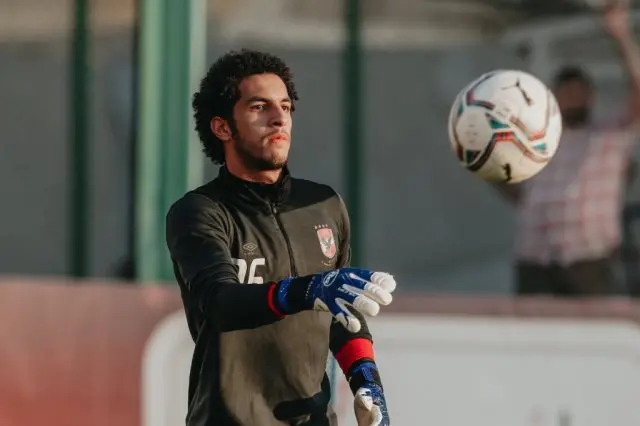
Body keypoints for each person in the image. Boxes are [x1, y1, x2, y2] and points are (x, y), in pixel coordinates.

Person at [165, 49, 395, 426]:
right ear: (223, 127)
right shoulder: (199, 211)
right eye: (259, 107)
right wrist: (306, 290)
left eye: (285, 107)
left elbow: (341, 315)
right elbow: (220, 302)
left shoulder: (324, 205)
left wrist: (367, 381)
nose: (279, 118)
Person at [501, 2, 640, 296]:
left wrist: (621, 36)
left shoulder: (608, 137)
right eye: (566, 94)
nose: (572, 100)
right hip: (535, 261)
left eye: (578, 94)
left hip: (587, 263)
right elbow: (522, 196)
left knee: (592, 324)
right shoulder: (538, 143)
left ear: (590, 98)